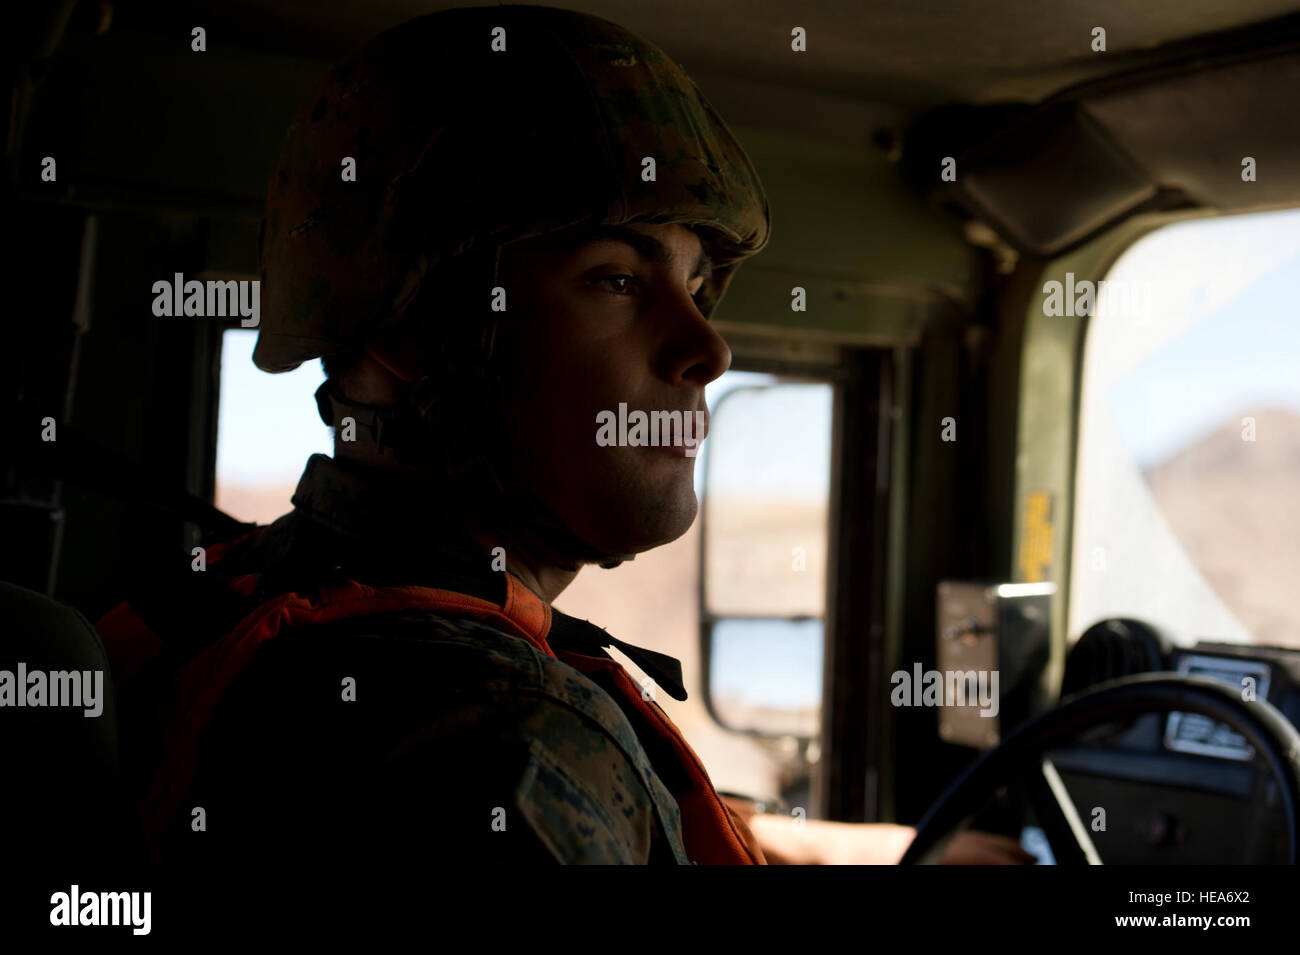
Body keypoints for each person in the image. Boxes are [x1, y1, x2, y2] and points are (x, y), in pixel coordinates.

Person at [99, 4, 1030, 866]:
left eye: (697, 286)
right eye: (616, 280)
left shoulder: (233, 606)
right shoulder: (495, 740)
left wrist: (844, 850)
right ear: (414, 333)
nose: (707, 346)